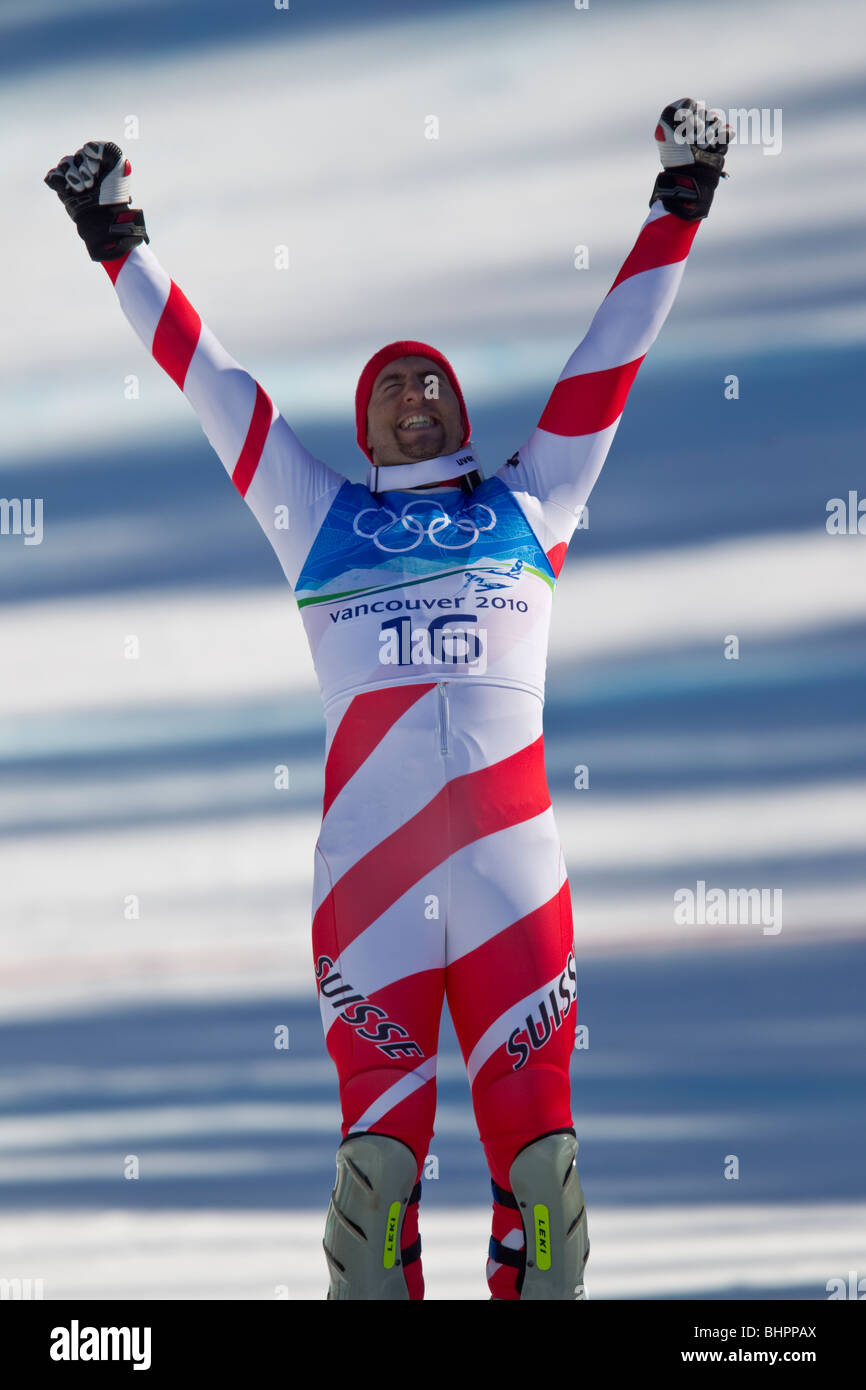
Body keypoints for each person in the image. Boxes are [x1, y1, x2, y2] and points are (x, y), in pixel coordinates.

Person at [44, 98, 729, 1300]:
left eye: (431, 381)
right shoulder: (317, 516)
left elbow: (605, 362)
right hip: (371, 883)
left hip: (512, 877)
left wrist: (678, 204)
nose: (414, 393)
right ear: (362, 429)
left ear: (462, 413)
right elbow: (214, 383)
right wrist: (117, 240)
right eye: (390, 385)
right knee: (373, 1196)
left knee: (545, 1182)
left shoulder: (531, 501)